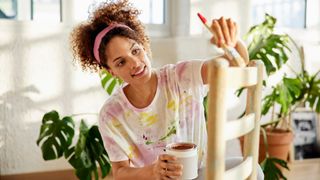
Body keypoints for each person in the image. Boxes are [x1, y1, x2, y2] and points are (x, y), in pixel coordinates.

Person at [70, 0, 263, 179]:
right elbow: (119, 172)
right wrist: (153, 171)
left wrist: (232, 43)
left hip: (200, 174)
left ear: (144, 46)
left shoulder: (182, 76)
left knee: (253, 171)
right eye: (121, 62)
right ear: (111, 71)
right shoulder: (111, 114)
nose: (135, 64)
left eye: (135, 50)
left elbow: (237, 65)